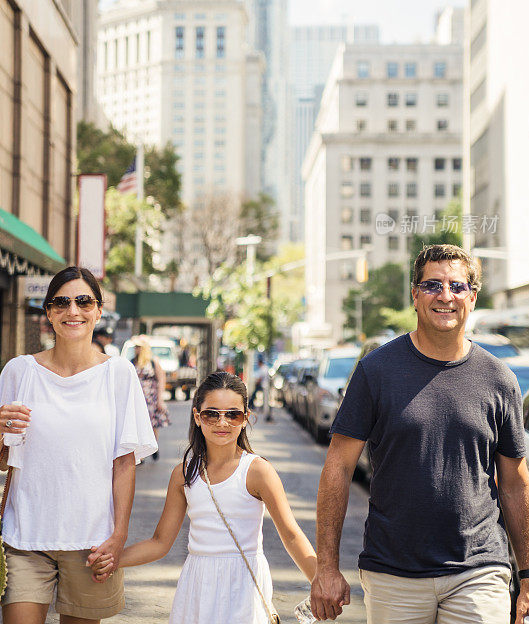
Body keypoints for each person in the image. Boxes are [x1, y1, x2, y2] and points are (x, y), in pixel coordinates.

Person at [311, 243, 529, 624]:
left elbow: (515, 483)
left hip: (478, 568)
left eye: (457, 286)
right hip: (393, 572)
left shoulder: (499, 379)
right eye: (432, 285)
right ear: (415, 294)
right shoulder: (376, 372)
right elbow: (338, 468)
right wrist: (326, 567)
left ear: (472, 296)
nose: (445, 296)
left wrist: (528, 576)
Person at [89, 370, 317, 623]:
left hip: (244, 585)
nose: (222, 423)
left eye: (233, 414)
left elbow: (291, 534)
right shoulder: (184, 473)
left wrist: (321, 581)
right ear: (197, 417)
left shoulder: (257, 471)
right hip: (197, 585)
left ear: (245, 418)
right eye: (212, 414)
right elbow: (160, 542)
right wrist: (112, 561)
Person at [0, 265, 157, 624]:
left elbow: (124, 464)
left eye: (84, 301)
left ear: (98, 311)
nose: (73, 311)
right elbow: (3, 459)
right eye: (62, 302)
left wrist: (119, 535)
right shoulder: (19, 372)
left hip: (92, 543)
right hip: (25, 538)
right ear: (49, 313)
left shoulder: (118, 374)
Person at [131, 337, 170, 460]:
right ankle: (141, 454)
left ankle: (153, 445)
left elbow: (161, 379)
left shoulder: (153, 362)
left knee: (152, 424)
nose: (136, 349)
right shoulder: (132, 361)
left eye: (138, 347)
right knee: (137, 424)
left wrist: (160, 399)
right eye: (135, 347)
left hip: (150, 398)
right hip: (137, 397)